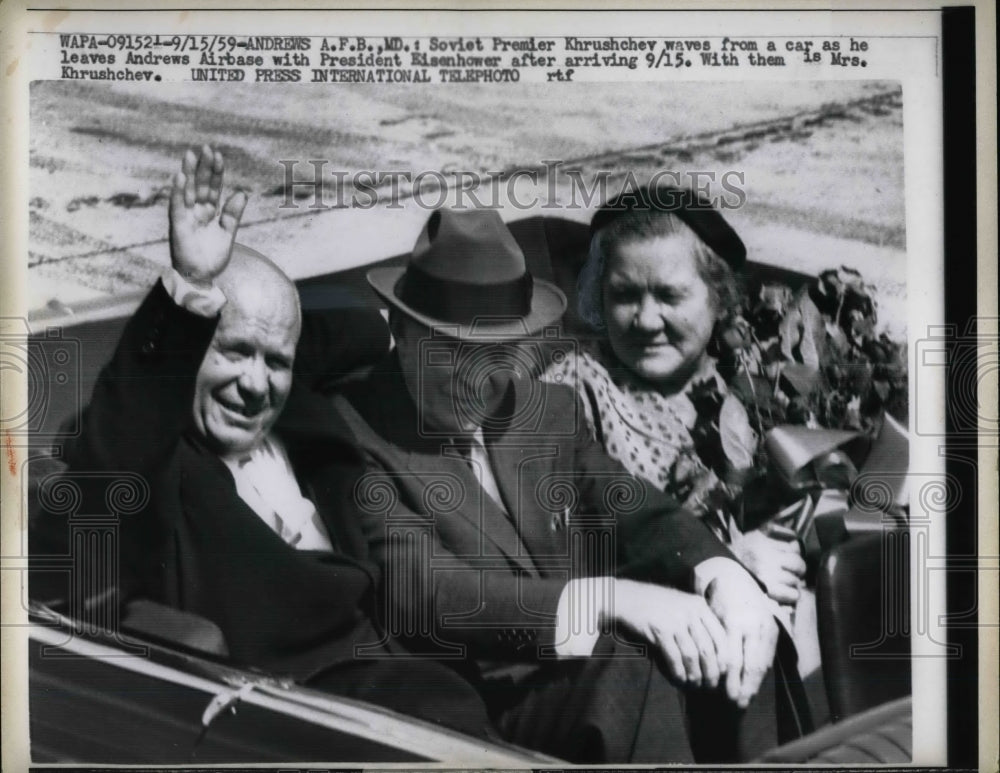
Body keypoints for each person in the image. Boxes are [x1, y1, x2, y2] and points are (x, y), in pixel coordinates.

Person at [323, 205, 812, 763]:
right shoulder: (353, 429)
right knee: (625, 667)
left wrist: (723, 573)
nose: (478, 382)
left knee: (741, 634)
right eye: (455, 353)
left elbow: (627, 504)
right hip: (466, 710)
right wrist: (605, 599)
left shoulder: (535, 409)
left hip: (580, 679)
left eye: (499, 354)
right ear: (401, 332)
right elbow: (425, 591)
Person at [36, 145, 494, 738]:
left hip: (416, 655)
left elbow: (343, 332)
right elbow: (114, 451)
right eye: (233, 352)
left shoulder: (298, 408)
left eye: (275, 361)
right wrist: (191, 289)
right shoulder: (152, 455)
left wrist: (397, 327)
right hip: (309, 708)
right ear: (190, 348)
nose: (255, 384)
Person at [542, 185, 809, 609]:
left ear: (720, 299)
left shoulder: (756, 381)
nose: (647, 320)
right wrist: (719, 565)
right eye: (624, 295)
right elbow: (558, 562)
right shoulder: (572, 391)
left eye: (670, 296)